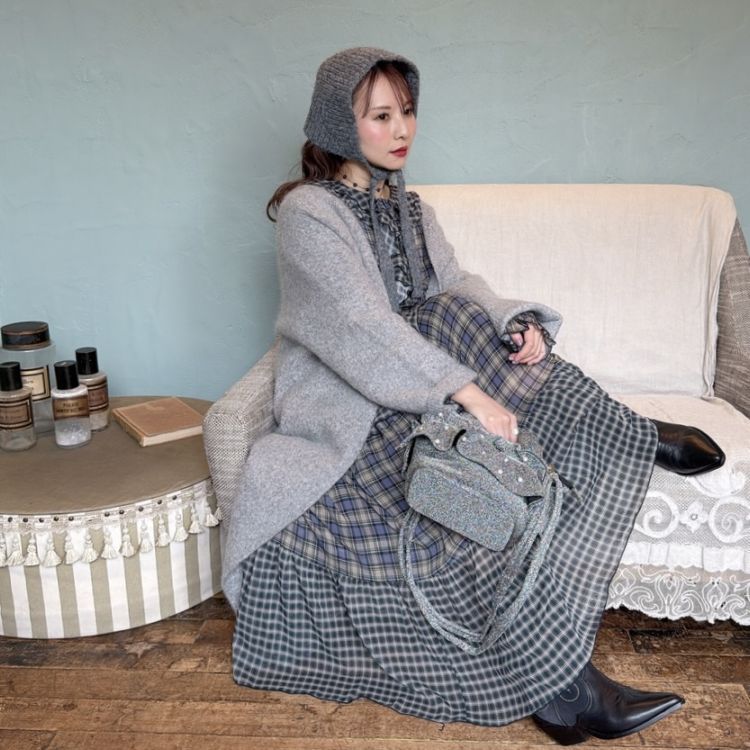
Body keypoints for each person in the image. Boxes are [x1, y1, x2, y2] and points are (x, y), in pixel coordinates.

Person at [224, 47, 725, 745]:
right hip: (355, 409)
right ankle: (567, 693)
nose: (403, 129)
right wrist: (470, 396)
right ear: (339, 125)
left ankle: (628, 433)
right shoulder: (310, 213)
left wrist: (511, 321)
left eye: (407, 112)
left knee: (464, 314)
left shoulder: (408, 206)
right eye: (380, 116)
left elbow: (456, 284)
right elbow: (361, 326)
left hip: (418, 388)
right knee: (470, 506)